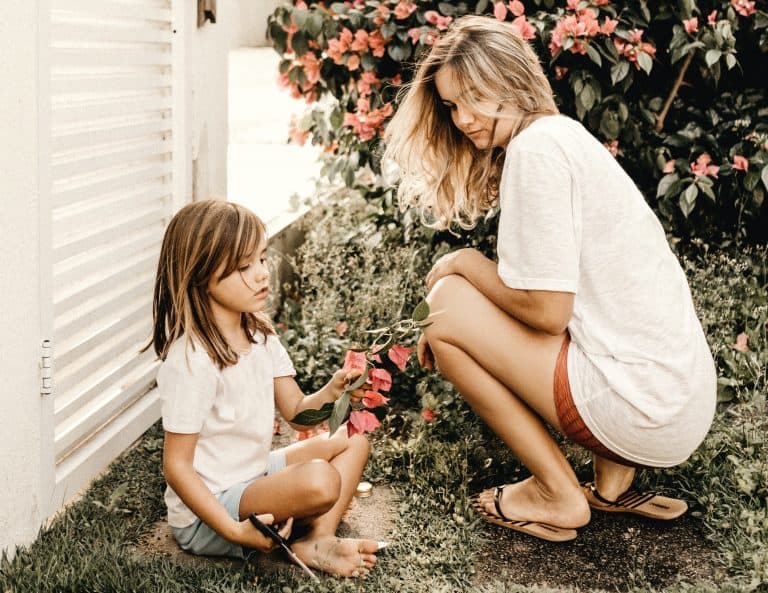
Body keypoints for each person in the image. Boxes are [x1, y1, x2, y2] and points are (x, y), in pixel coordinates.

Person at [383, 15, 716, 542]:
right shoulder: (563, 137)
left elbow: (546, 311)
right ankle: (611, 482)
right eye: (451, 104)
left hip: (640, 407)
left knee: (446, 307)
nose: (463, 117)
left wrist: (462, 262)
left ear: (511, 79)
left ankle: (556, 492)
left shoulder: (536, 150)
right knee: (573, 310)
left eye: (473, 95)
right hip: (678, 401)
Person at [146, 200, 379, 574]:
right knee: (321, 479)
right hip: (213, 507)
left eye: (262, 259)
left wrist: (333, 393)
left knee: (353, 439)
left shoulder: (259, 334)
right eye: (244, 267)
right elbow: (176, 467)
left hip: (255, 472)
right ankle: (307, 534)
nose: (262, 275)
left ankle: (317, 538)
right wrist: (235, 531)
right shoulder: (192, 360)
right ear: (201, 274)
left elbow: (298, 413)